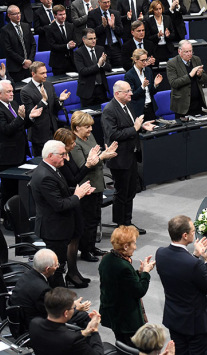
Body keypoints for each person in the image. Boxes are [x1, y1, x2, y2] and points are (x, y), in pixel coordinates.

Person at [30, 140, 95, 287]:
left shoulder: (51, 169)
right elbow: (59, 205)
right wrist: (77, 195)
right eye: (63, 154)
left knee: (60, 264)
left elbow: (61, 193)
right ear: (50, 155)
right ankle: (58, 300)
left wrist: (80, 192)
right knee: (56, 268)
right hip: (54, 229)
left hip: (59, 226)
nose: (66, 157)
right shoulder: (46, 176)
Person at [155, 215, 207, 355]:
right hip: (196, 325)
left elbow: (182, 272)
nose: (194, 233)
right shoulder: (194, 264)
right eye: (193, 231)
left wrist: (194, 255)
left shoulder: (160, 253)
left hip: (175, 320)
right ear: (185, 235)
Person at [101, 81, 155, 234]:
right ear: (117, 93)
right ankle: (121, 225)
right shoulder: (109, 111)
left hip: (131, 155)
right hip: (119, 158)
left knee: (131, 190)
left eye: (130, 90)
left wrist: (141, 126)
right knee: (121, 192)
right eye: (127, 91)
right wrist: (135, 128)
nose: (131, 93)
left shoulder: (127, 105)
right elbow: (113, 135)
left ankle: (128, 222)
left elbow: (130, 126)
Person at [54, 128, 101, 285]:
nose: (74, 145)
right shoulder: (60, 161)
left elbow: (77, 175)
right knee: (72, 238)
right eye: (71, 143)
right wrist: (88, 165)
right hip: (69, 198)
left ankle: (74, 272)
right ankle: (71, 274)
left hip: (76, 196)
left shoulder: (68, 155)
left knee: (77, 236)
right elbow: (74, 178)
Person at [9, 249, 91, 336]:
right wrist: (75, 309)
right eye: (56, 265)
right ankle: (85, 344)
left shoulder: (26, 275)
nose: (58, 267)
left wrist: (72, 304)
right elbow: (54, 314)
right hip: (36, 326)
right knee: (84, 316)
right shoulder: (42, 289)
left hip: (24, 318)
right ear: (47, 269)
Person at [71, 111, 118, 263]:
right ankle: (85, 250)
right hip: (86, 187)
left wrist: (105, 153)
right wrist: (102, 157)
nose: (90, 129)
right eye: (86, 127)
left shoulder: (89, 136)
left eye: (91, 126)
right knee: (88, 220)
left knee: (96, 217)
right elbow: (83, 165)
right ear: (77, 128)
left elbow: (95, 156)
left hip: (98, 183)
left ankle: (91, 246)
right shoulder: (74, 143)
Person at [99, 225, 155, 347]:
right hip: (126, 319)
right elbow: (139, 290)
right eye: (134, 244)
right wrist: (145, 272)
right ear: (125, 246)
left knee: (121, 345)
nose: (135, 247)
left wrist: (139, 272)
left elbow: (123, 282)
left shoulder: (107, 258)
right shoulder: (123, 266)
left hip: (114, 314)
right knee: (131, 348)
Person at [0, 80, 37, 226]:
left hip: (20, 152)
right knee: (9, 189)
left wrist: (30, 118)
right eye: (8, 92)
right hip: (7, 156)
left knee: (18, 188)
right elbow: (7, 130)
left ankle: (18, 216)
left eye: (11, 91)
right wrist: (21, 118)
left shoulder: (13, 104)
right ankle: (7, 219)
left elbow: (21, 125)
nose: (11, 94)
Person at [29, 288, 104, 355]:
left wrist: (86, 331)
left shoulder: (34, 323)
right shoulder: (73, 339)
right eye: (73, 308)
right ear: (66, 313)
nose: (75, 309)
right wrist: (95, 331)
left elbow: (57, 338)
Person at [20, 62, 72, 157]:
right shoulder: (25, 91)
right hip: (39, 133)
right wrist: (43, 101)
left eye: (46, 72)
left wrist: (60, 100)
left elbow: (55, 107)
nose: (45, 75)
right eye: (42, 73)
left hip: (53, 130)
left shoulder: (49, 85)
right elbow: (30, 113)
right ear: (33, 74)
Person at [166, 40, 207, 118]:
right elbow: (174, 83)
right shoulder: (172, 63)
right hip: (182, 106)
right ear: (179, 51)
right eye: (186, 52)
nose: (189, 54)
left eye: (190, 51)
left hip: (196, 104)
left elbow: (205, 79)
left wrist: (200, 75)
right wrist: (190, 75)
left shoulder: (196, 59)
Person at [75, 28, 112, 107]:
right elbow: (82, 71)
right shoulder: (78, 53)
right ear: (83, 40)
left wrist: (103, 64)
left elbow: (109, 68)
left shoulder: (100, 49)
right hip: (87, 91)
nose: (93, 41)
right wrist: (98, 65)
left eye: (95, 38)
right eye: (90, 39)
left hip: (101, 89)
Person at [0, 6, 37, 81]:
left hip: (29, 67)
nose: (18, 16)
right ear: (9, 16)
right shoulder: (5, 30)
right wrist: (23, 61)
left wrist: (30, 60)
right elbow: (8, 50)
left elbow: (33, 44)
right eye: (15, 14)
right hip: (16, 68)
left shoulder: (26, 26)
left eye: (19, 13)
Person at [125, 49, 163, 122]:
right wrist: (142, 87)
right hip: (138, 109)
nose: (145, 63)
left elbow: (152, 91)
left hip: (150, 107)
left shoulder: (148, 70)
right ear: (135, 60)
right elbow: (133, 95)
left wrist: (155, 85)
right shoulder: (129, 75)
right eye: (142, 60)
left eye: (146, 60)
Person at [87, 0, 124, 68]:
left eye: (108, 2)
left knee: (120, 69)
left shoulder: (115, 13)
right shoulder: (92, 14)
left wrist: (113, 27)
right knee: (105, 70)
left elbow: (121, 32)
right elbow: (91, 33)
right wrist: (103, 26)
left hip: (116, 48)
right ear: (99, 2)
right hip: (102, 48)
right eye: (104, 2)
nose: (107, 4)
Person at [46, 5, 78, 76]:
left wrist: (74, 43)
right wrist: (67, 46)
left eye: (64, 14)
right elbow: (52, 46)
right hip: (58, 63)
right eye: (60, 15)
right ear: (55, 15)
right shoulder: (49, 29)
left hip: (71, 61)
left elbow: (75, 40)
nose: (63, 16)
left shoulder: (70, 26)